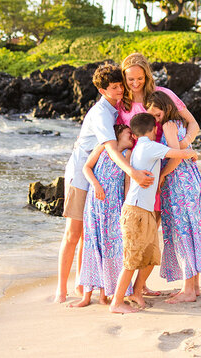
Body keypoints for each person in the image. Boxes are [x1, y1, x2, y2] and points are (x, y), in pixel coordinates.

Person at [54, 63, 154, 304]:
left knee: (91, 234)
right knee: (73, 233)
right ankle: (61, 290)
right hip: (82, 173)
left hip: (101, 175)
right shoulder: (101, 113)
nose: (120, 90)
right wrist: (132, 171)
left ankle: (84, 285)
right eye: (114, 87)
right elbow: (110, 147)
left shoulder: (115, 107)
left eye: (121, 85)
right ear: (102, 90)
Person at [117, 52, 201, 296]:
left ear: (147, 76)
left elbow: (193, 123)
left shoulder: (163, 95)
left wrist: (183, 145)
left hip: (166, 171)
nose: (134, 83)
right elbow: (118, 140)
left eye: (139, 78)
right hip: (139, 175)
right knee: (140, 230)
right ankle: (137, 289)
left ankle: (140, 288)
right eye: (129, 79)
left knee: (158, 229)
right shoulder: (122, 104)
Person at [109, 113, 198, 314]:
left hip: (144, 211)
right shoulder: (148, 146)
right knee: (132, 260)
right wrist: (192, 152)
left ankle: (136, 292)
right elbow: (179, 153)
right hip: (136, 211)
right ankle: (116, 302)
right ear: (154, 130)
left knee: (150, 257)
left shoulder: (143, 147)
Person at [146, 90, 201, 303]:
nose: (155, 119)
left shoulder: (170, 126)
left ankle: (188, 290)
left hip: (180, 185)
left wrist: (162, 175)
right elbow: (182, 150)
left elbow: (176, 157)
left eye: (157, 114)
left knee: (182, 234)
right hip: (191, 182)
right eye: (151, 116)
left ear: (167, 109)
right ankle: (194, 286)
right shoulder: (178, 125)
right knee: (191, 233)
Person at [70, 124, 136, 308]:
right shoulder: (104, 145)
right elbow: (87, 167)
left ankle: (106, 294)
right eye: (128, 133)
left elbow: (127, 183)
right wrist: (96, 185)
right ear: (117, 134)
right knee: (93, 243)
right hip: (94, 203)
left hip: (114, 206)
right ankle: (86, 295)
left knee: (111, 246)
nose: (131, 136)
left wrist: (125, 207)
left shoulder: (128, 154)